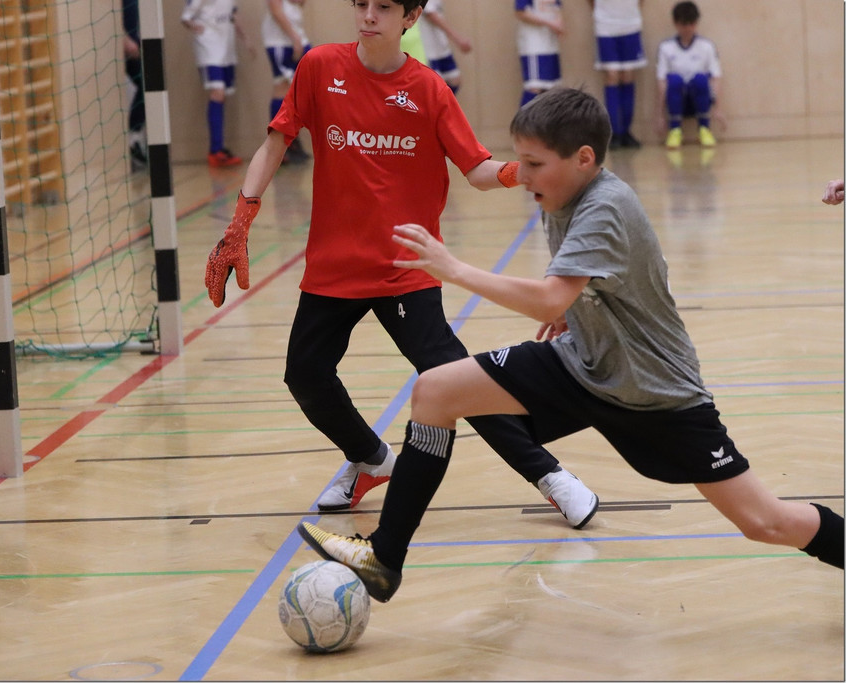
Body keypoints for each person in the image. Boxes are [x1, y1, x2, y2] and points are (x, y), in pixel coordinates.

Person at [298, 86, 845, 603]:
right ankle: (384, 557)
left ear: (584, 159)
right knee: (436, 391)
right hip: (585, 364)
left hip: (655, 392)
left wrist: (454, 268)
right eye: (520, 161)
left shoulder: (605, 205)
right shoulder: (558, 194)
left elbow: (547, 299)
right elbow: (599, 282)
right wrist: (579, 310)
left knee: (764, 522)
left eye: (534, 164)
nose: (522, 175)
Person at [203, 0, 599, 528]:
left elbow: (476, 168)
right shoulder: (319, 67)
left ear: (410, 17)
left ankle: (551, 476)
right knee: (305, 373)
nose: (369, 15)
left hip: (406, 265)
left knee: (453, 379)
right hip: (335, 264)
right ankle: (370, 459)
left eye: (384, 7)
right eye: (361, 4)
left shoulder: (429, 90)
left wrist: (520, 172)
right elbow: (275, 143)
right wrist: (240, 222)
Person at [181, 0, 251, 168]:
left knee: (222, 96)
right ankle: (215, 150)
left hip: (227, 49)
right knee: (217, 93)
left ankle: (219, 148)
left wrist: (245, 38)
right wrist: (195, 27)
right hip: (208, 48)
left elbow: (233, 14)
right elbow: (186, 17)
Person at [655, 1, 724, 150]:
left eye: (691, 24)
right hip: (676, 101)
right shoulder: (666, 48)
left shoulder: (707, 47)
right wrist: (660, 115)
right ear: (676, 24)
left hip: (700, 100)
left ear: (696, 23)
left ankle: (704, 129)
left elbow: (715, 79)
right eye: (683, 24)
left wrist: (718, 108)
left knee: (700, 79)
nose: (688, 28)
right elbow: (662, 82)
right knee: (674, 80)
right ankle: (675, 130)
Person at [588, 0, 645, 149]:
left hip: (630, 23)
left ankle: (626, 131)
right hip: (605, 25)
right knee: (611, 75)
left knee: (628, 75)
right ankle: (614, 133)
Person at [262, 0, 312, 164]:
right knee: (282, 88)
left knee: (302, 90)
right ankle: (278, 143)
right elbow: (276, 11)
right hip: (281, 43)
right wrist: (294, 38)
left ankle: (291, 139)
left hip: (298, 39)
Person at [514, 0, 564, 108]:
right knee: (534, 87)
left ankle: (548, 119)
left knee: (551, 88)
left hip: (551, 44)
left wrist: (559, 24)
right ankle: (524, 119)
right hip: (534, 46)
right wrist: (550, 23)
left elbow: (557, 8)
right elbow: (520, 12)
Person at [416, 0, 472, 95]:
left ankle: (442, 103)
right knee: (434, 87)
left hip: (441, 47)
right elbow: (431, 15)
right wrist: (458, 39)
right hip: (429, 50)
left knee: (454, 80)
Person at [121, 0, 146, 172]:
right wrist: (124, 39)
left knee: (147, 85)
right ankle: (132, 138)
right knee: (145, 83)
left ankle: (134, 139)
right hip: (122, 45)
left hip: (134, 42)